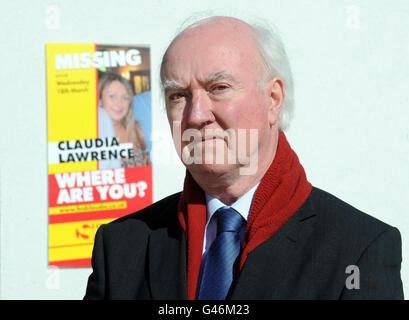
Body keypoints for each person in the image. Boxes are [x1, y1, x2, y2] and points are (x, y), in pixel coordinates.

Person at [84, 16, 404, 299]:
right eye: (178, 95)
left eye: (219, 87)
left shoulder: (359, 249)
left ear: (273, 100)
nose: (196, 115)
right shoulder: (122, 246)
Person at [98, 72, 150, 167]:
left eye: (125, 97)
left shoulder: (136, 130)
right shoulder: (92, 135)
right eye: (112, 96)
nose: (119, 103)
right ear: (100, 100)